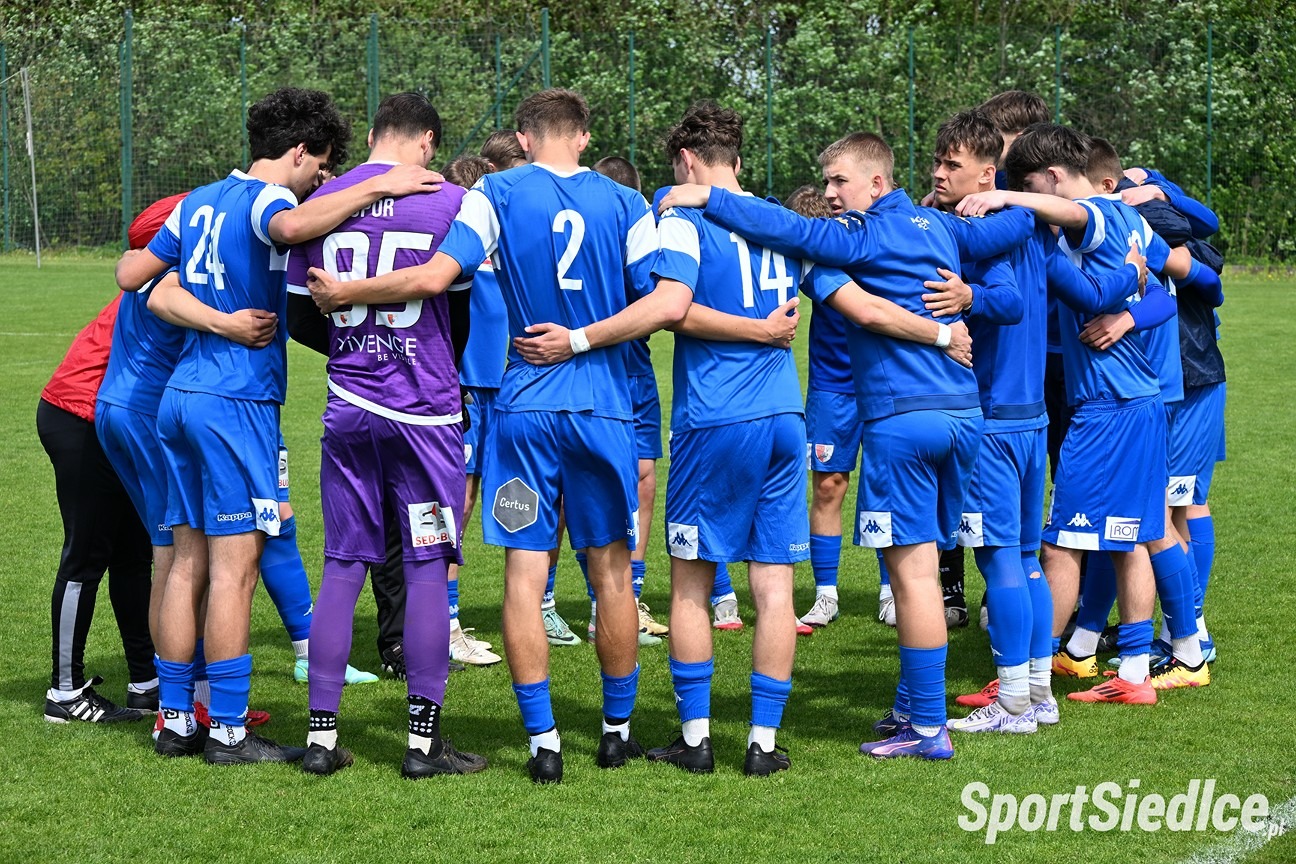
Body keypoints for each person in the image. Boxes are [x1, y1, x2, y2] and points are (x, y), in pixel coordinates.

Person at [306, 88, 692, 783]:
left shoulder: (494, 193)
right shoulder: (626, 202)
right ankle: (616, 733)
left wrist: (346, 294)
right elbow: (667, 303)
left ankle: (543, 743)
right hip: (604, 409)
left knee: (524, 570)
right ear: (584, 136)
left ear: (523, 137)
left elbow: (435, 276)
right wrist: (582, 337)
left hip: (521, 409)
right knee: (610, 573)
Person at [662, 130, 1023, 760]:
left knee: (914, 577)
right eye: (825, 182)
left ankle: (927, 728)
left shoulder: (865, 234)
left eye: (839, 181)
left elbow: (792, 231)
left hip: (903, 417)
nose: (830, 193)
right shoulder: (939, 225)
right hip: (964, 413)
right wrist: (1007, 206)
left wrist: (706, 198)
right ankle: (911, 706)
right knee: (925, 568)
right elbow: (1010, 233)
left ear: (877, 183)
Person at [114, 85, 439, 764]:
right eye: (318, 165)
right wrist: (381, 184)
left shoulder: (197, 201)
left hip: (178, 397)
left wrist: (212, 318)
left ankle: (175, 721)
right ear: (297, 151)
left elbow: (132, 272)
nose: (320, 178)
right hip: (235, 403)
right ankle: (229, 732)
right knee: (234, 570)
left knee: (183, 564)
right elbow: (289, 229)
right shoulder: (270, 200)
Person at [957, 123, 1220, 705]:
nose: (1030, 200)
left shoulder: (1096, 213)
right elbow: (1165, 292)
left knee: (1059, 547)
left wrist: (1005, 199)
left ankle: (1031, 677)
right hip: (1136, 401)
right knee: (1134, 537)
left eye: (1031, 186)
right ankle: (1137, 670)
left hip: (1109, 410)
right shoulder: (1132, 221)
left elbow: (1078, 239)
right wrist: (1130, 310)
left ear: (1052, 178)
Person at [285, 92, 486, 777]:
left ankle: (321, 740)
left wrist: (355, 348)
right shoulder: (454, 202)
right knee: (427, 567)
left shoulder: (324, 201)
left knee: (342, 565)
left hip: (349, 406)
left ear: (372, 134)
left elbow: (299, 315)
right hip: (425, 415)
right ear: (428, 141)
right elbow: (460, 314)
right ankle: (423, 746)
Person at [39, 296, 154, 724]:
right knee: (85, 558)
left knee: (133, 556)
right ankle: (64, 692)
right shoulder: (172, 274)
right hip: (81, 416)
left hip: (113, 418)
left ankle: (146, 682)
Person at [587, 154, 669, 646]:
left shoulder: (632, 231)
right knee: (602, 483)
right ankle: (597, 600)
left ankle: (624, 600)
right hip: (608, 372)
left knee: (640, 479)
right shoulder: (619, 229)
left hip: (629, 369)